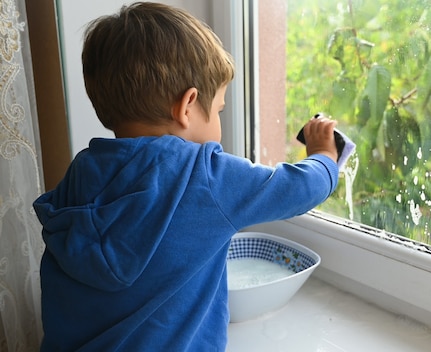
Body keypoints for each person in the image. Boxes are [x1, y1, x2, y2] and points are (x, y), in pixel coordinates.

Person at [32, 2, 339, 351]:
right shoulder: (203, 175)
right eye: (220, 109)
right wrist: (325, 156)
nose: (220, 118)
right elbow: (297, 188)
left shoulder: (80, 173)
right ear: (187, 106)